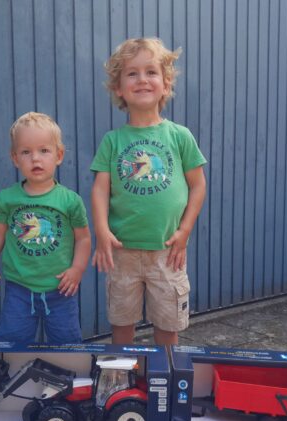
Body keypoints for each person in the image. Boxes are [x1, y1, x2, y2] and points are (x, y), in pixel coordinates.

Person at [90, 38, 207, 346]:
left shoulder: (180, 136)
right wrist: (101, 231)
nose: (142, 79)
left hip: (167, 252)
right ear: (118, 88)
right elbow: (100, 189)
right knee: (121, 322)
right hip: (122, 252)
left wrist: (185, 230)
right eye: (132, 73)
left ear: (165, 84)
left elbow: (198, 186)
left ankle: (165, 371)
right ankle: (122, 370)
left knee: (168, 324)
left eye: (151, 72)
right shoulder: (112, 141)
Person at [0, 112, 91, 343]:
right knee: (11, 345)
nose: (35, 159)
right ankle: (10, 368)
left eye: (44, 150)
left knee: (67, 346)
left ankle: (67, 368)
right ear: (15, 158)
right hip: (19, 289)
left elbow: (83, 239)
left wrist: (77, 269)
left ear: (59, 155)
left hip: (61, 289)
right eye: (26, 152)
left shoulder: (70, 201)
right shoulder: (8, 198)